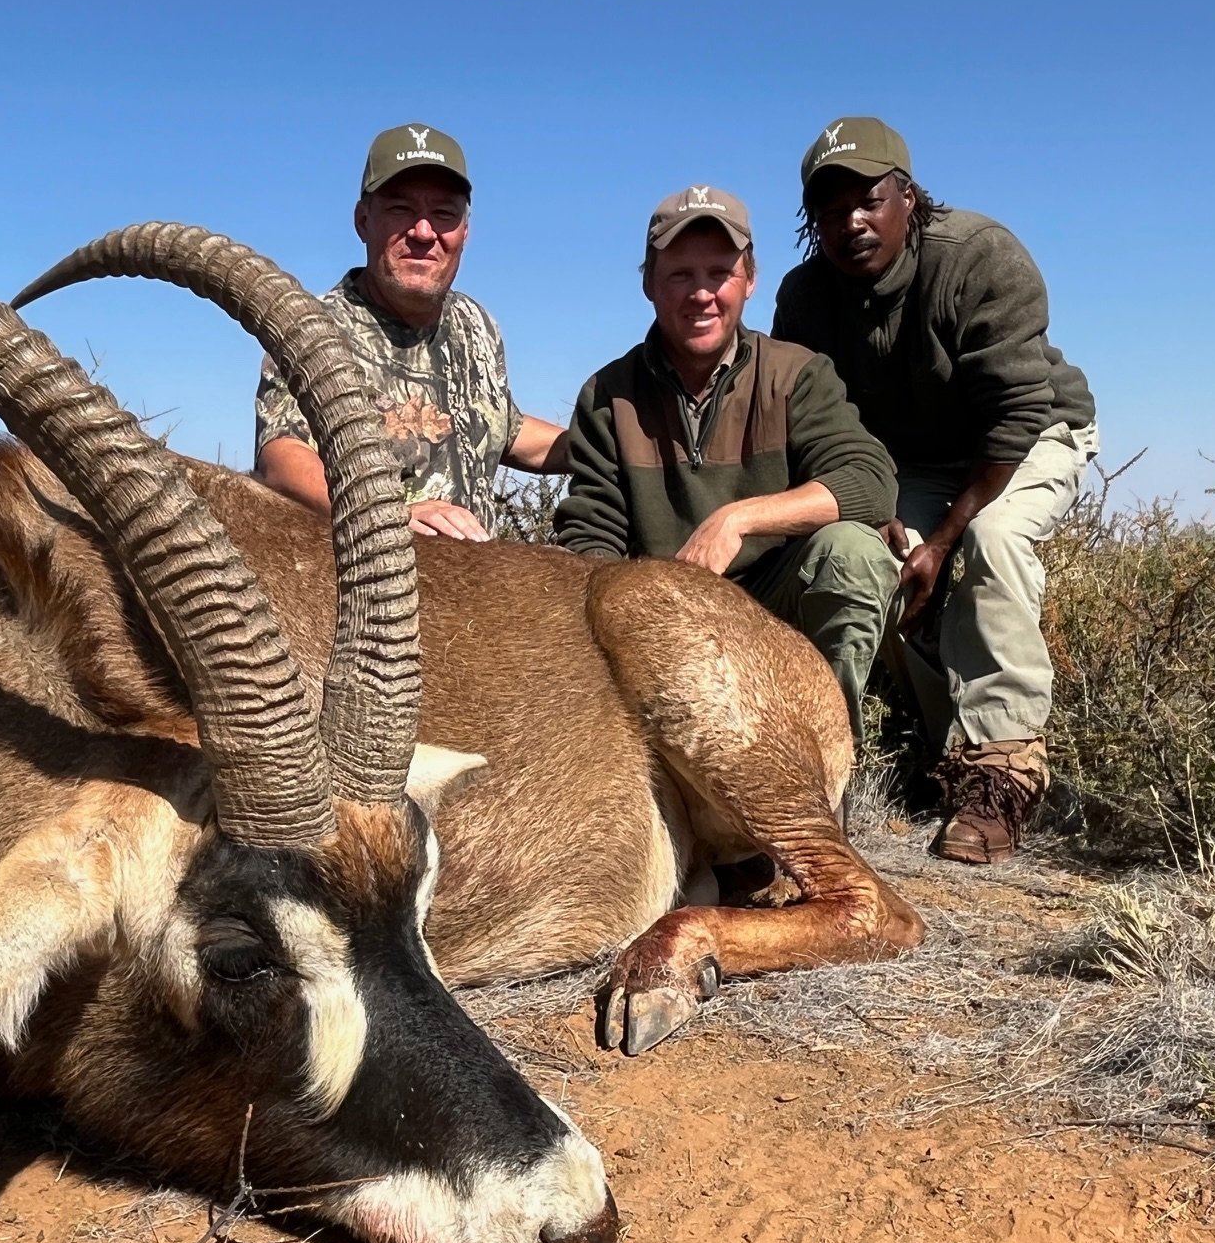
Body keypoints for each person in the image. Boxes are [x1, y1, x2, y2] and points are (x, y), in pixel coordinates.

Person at [774, 116, 1098, 864]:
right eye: (828, 209)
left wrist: (947, 536)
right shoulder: (805, 298)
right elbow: (823, 427)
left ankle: (1003, 771)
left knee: (993, 542)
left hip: (1028, 436)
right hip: (911, 460)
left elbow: (1017, 415)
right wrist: (887, 516)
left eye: (868, 199)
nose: (850, 222)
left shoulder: (979, 256)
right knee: (877, 564)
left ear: (908, 197)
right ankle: (943, 750)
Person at [553, 186, 898, 744]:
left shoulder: (796, 375)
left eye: (720, 273)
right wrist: (651, 605)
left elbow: (869, 481)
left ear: (750, 280)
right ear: (648, 283)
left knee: (854, 556)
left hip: (776, 611)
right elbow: (591, 538)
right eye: (680, 275)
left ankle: (831, 759)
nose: (702, 295)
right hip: (664, 623)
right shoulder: (607, 394)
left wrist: (737, 519)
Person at [255, 123, 565, 539]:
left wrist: (608, 445)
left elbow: (500, 428)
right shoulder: (311, 329)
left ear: (465, 232)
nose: (423, 232)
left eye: (443, 214)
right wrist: (387, 515)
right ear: (363, 221)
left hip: (481, 587)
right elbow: (280, 456)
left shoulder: (476, 322)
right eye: (401, 209)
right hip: (370, 582)